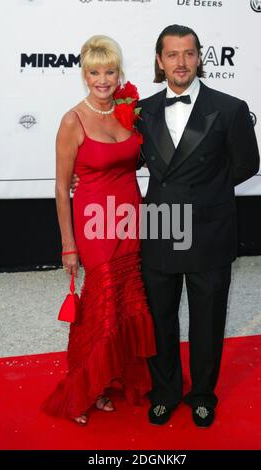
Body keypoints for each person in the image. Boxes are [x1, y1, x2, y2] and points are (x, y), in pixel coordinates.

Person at [71, 25, 260, 428]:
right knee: (160, 317)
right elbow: (123, 157)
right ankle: (166, 391)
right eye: (172, 54)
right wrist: (81, 175)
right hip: (159, 226)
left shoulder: (229, 108)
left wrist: (204, 196)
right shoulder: (142, 111)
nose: (181, 62)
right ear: (160, 60)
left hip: (209, 229)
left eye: (189, 54)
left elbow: (247, 165)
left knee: (208, 320)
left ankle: (203, 394)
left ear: (199, 58)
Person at [42, 35, 156, 426]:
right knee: (102, 307)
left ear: (118, 72)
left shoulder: (128, 111)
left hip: (130, 218)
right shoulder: (72, 120)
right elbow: (61, 187)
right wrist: (67, 245)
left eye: (109, 71)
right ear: (84, 75)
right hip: (95, 226)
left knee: (128, 302)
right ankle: (84, 387)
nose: (103, 80)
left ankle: (115, 378)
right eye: (95, 72)